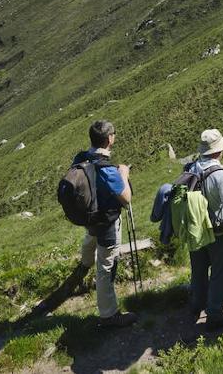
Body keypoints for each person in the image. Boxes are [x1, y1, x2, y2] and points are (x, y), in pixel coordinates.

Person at [74, 120, 136, 328]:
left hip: (89, 218)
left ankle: (83, 267)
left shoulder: (81, 158)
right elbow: (126, 198)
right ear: (110, 139)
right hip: (107, 223)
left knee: (90, 240)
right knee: (106, 268)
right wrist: (124, 174)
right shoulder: (107, 170)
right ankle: (109, 315)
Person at [188, 128, 223, 330]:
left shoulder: (192, 167)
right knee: (219, 272)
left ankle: (196, 304)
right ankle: (215, 313)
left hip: (197, 229)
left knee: (198, 269)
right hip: (218, 231)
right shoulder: (220, 174)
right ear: (219, 151)